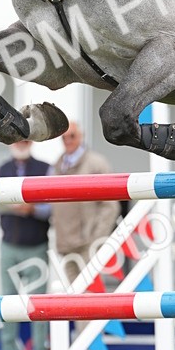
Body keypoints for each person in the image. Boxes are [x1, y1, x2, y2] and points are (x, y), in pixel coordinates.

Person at [0, 140, 52, 350]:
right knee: (7, 302)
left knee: (37, 303)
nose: (21, 143)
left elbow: (51, 207)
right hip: (9, 244)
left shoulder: (46, 169)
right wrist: (15, 206)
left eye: (25, 138)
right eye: (17, 139)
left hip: (36, 244)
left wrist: (32, 208)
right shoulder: (1, 169)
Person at [51, 122, 120, 286]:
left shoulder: (97, 163)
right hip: (66, 244)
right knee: (75, 297)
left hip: (87, 245)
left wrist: (97, 238)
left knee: (91, 295)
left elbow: (110, 205)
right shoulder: (57, 166)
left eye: (72, 136)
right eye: (64, 137)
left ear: (81, 136)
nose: (68, 140)